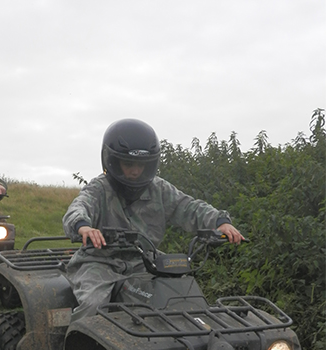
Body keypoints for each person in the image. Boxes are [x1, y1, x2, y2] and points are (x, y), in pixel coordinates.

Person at [63, 118, 244, 319]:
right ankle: (79, 348)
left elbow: (190, 207)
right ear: (112, 161)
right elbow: (78, 208)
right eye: (128, 163)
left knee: (181, 292)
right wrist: (83, 227)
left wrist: (221, 222)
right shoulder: (99, 189)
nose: (135, 171)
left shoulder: (159, 189)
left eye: (141, 165)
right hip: (99, 262)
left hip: (145, 261)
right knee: (93, 305)